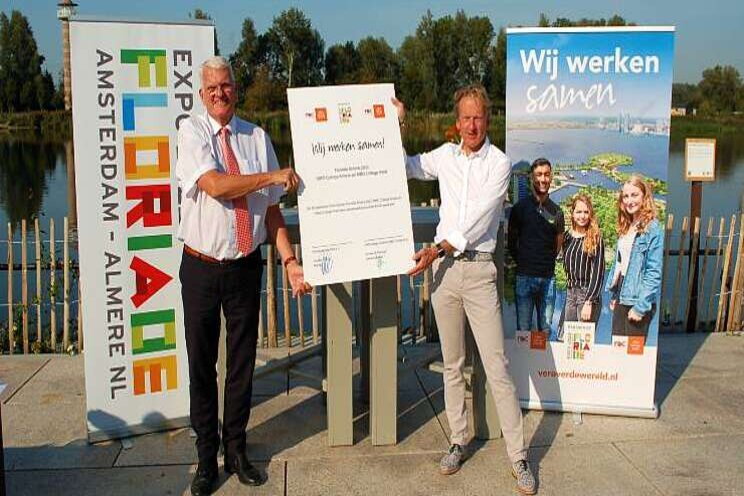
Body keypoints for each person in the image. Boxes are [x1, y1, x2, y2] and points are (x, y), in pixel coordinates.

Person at [176, 56, 311, 496]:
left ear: (237, 88)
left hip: (243, 266)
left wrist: (290, 262)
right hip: (200, 266)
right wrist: (270, 176)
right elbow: (215, 185)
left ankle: (236, 450)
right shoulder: (192, 132)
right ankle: (204, 459)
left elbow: (272, 211)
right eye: (212, 88)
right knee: (201, 366)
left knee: (241, 365)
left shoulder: (257, 136)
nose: (220, 93)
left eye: (227, 86)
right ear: (202, 94)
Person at [392, 85, 537, 495]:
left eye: (479, 117)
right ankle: (458, 440)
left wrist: (437, 248)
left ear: (488, 121)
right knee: (452, 364)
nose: (472, 125)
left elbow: (477, 220)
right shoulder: (445, 155)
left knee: (497, 367)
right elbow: (404, 166)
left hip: (477, 273)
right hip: (444, 276)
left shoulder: (500, 163)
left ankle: (518, 456)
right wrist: (398, 123)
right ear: (457, 123)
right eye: (466, 118)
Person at [508, 158, 564, 341]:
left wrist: (544, 261)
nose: (543, 179)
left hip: (548, 278)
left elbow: (558, 244)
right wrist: (525, 262)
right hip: (524, 277)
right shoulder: (519, 209)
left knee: (545, 331)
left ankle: (544, 370)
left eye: (546, 174)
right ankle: (523, 370)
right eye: (539, 174)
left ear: (551, 177)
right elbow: (512, 243)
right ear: (532, 177)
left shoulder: (557, 212)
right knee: (523, 332)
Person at [605, 175, 663, 338]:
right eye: (626, 196)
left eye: (634, 195)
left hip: (638, 299)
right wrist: (616, 294)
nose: (629, 201)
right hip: (622, 294)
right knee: (617, 351)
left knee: (633, 357)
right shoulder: (627, 226)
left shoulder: (653, 229)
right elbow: (621, 265)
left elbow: (653, 273)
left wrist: (640, 307)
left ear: (644, 197)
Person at [558, 193, 605, 340]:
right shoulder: (567, 237)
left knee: (581, 344)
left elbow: (598, 272)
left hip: (587, 295)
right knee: (566, 340)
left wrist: (589, 302)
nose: (582, 216)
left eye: (586, 212)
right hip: (571, 294)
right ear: (572, 214)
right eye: (579, 212)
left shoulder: (595, 237)